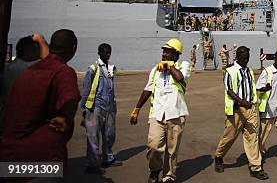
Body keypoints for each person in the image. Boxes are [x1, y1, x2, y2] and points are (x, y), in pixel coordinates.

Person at [0, 29, 80, 167]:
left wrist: (41, 41)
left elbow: (47, 60)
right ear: (73, 48)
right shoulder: (62, 72)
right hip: (41, 156)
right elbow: (70, 98)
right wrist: (66, 119)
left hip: (9, 151)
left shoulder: (27, 70)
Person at [130, 39, 191, 183]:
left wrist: (169, 66)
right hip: (157, 114)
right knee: (153, 145)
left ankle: (169, 175)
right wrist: (136, 109)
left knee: (172, 149)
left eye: (167, 52)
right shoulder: (155, 70)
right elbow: (147, 89)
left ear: (176, 55)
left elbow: (180, 77)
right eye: (163, 51)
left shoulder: (184, 65)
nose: (163, 54)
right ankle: (154, 170)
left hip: (176, 114)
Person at [214, 45, 269, 180]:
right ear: (237, 56)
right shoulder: (230, 71)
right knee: (229, 137)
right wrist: (242, 101)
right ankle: (219, 156)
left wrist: (262, 88)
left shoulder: (249, 70)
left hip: (250, 109)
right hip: (236, 110)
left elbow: (252, 88)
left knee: (252, 137)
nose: (246, 61)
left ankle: (255, 167)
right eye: (244, 58)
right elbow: (229, 90)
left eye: (248, 58)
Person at [80, 43, 121, 173]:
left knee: (109, 134)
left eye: (109, 52)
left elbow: (111, 88)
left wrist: (113, 106)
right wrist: (84, 108)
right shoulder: (92, 68)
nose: (107, 54)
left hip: (109, 106)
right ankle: (92, 164)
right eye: (105, 52)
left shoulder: (111, 68)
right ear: (99, 53)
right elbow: (86, 88)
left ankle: (107, 158)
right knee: (93, 136)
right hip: (95, 106)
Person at [0, 33, 49, 121]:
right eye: (38, 51)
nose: (40, 54)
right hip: (21, 120)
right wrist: (42, 41)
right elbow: (51, 62)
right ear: (30, 53)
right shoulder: (27, 68)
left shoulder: (11, 67)